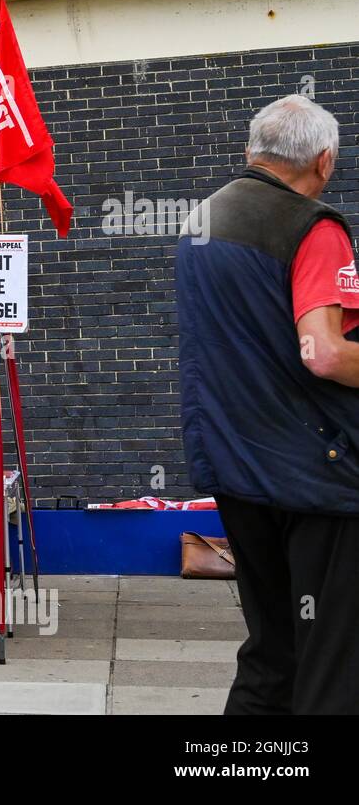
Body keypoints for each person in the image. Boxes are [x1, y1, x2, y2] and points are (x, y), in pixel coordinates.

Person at [177, 94, 359, 714]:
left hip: (233, 465)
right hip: (315, 473)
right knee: (333, 656)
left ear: (251, 152)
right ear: (325, 161)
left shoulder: (202, 219)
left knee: (272, 647)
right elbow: (326, 354)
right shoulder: (314, 225)